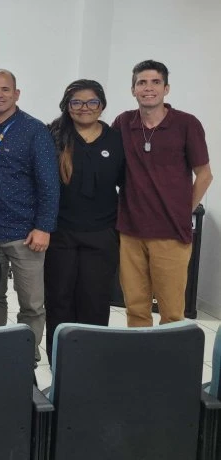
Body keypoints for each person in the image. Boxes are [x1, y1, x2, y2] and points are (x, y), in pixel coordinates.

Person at [0, 69, 59, 364]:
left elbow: (49, 183)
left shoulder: (34, 130)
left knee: (32, 303)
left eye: (5, 89)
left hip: (23, 233)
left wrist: (44, 227)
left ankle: (25, 357)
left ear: (17, 94)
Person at [113, 60, 212, 326]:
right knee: (135, 307)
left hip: (171, 233)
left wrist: (184, 211)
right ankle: (138, 350)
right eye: (142, 83)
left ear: (166, 88)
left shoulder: (186, 124)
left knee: (172, 311)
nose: (148, 88)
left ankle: (169, 353)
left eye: (155, 82)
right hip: (131, 231)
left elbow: (205, 175)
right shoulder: (123, 122)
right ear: (133, 90)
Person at [42, 80, 125, 359]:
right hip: (60, 234)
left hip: (102, 234)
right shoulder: (52, 136)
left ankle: (92, 361)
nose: (84, 108)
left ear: (102, 105)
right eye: (76, 102)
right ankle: (59, 360)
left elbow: (128, 184)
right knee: (59, 300)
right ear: (67, 106)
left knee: (95, 301)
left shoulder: (116, 140)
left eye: (92, 102)